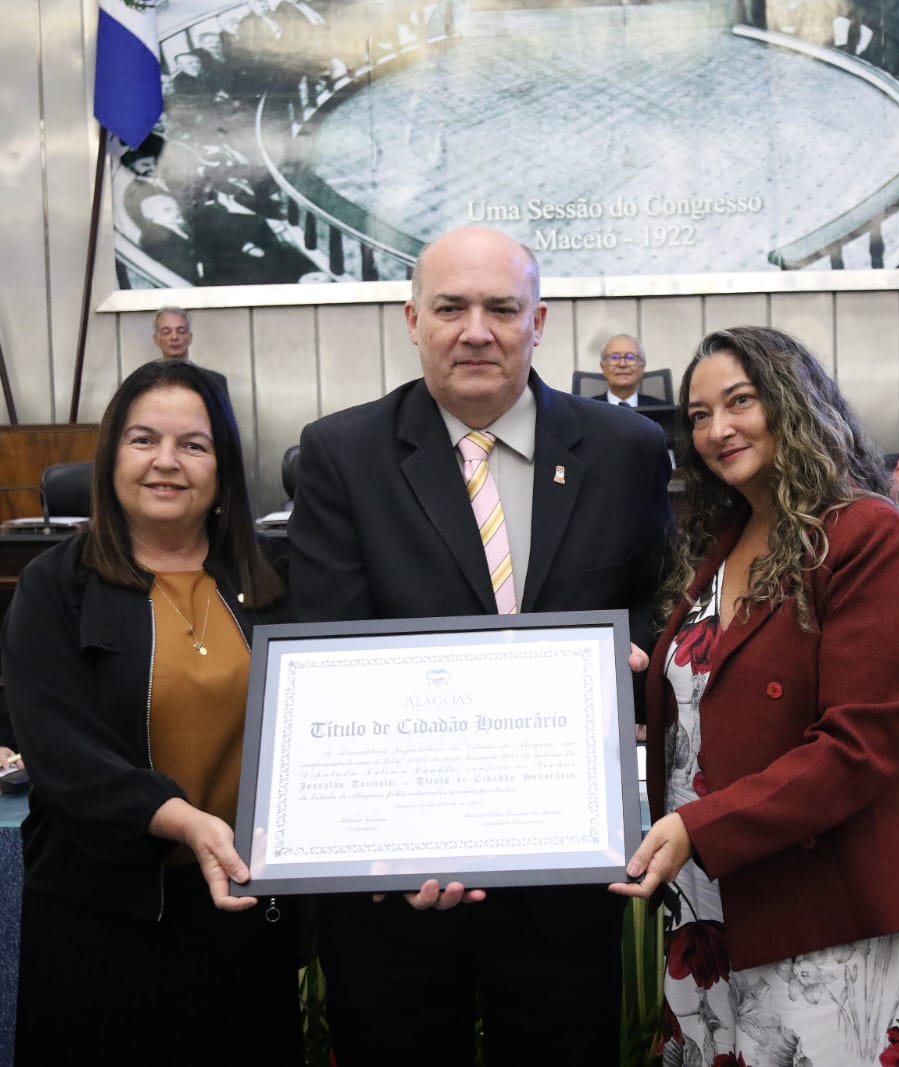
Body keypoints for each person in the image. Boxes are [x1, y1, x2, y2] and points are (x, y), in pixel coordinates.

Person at [285, 225, 674, 1065]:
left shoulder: (628, 451)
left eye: (502, 307)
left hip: (565, 881)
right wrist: (397, 836)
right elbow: (330, 651)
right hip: (397, 880)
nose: (476, 330)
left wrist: (636, 656)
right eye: (451, 307)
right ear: (411, 318)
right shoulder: (340, 455)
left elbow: (656, 603)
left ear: (538, 322)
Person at [610, 326, 899, 1065]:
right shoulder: (723, 540)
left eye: (740, 401)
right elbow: (711, 704)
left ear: (795, 402)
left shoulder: (868, 536)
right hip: (709, 902)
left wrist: (702, 824)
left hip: (823, 909)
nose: (717, 429)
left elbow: (860, 747)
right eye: (697, 415)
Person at [0, 360, 300, 1063]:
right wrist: (182, 820)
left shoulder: (280, 582)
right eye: (143, 439)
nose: (167, 461)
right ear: (110, 458)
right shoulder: (54, 587)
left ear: (223, 465)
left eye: (193, 444)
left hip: (247, 918)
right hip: (101, 924)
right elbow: (62, 754)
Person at [152, 306, 232, 411]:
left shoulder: (214, 382)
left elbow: (225, 425)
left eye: (181, 331)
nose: (174, 337)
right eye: (166, 332)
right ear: (156, 339)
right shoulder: (143, 383)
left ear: (190, 338)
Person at [597, 333, 663, 408]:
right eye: (614, 357)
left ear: (642, 367)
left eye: (630, 357)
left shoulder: (663, 410)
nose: (622, 364)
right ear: (603, 367)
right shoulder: (586, 411)